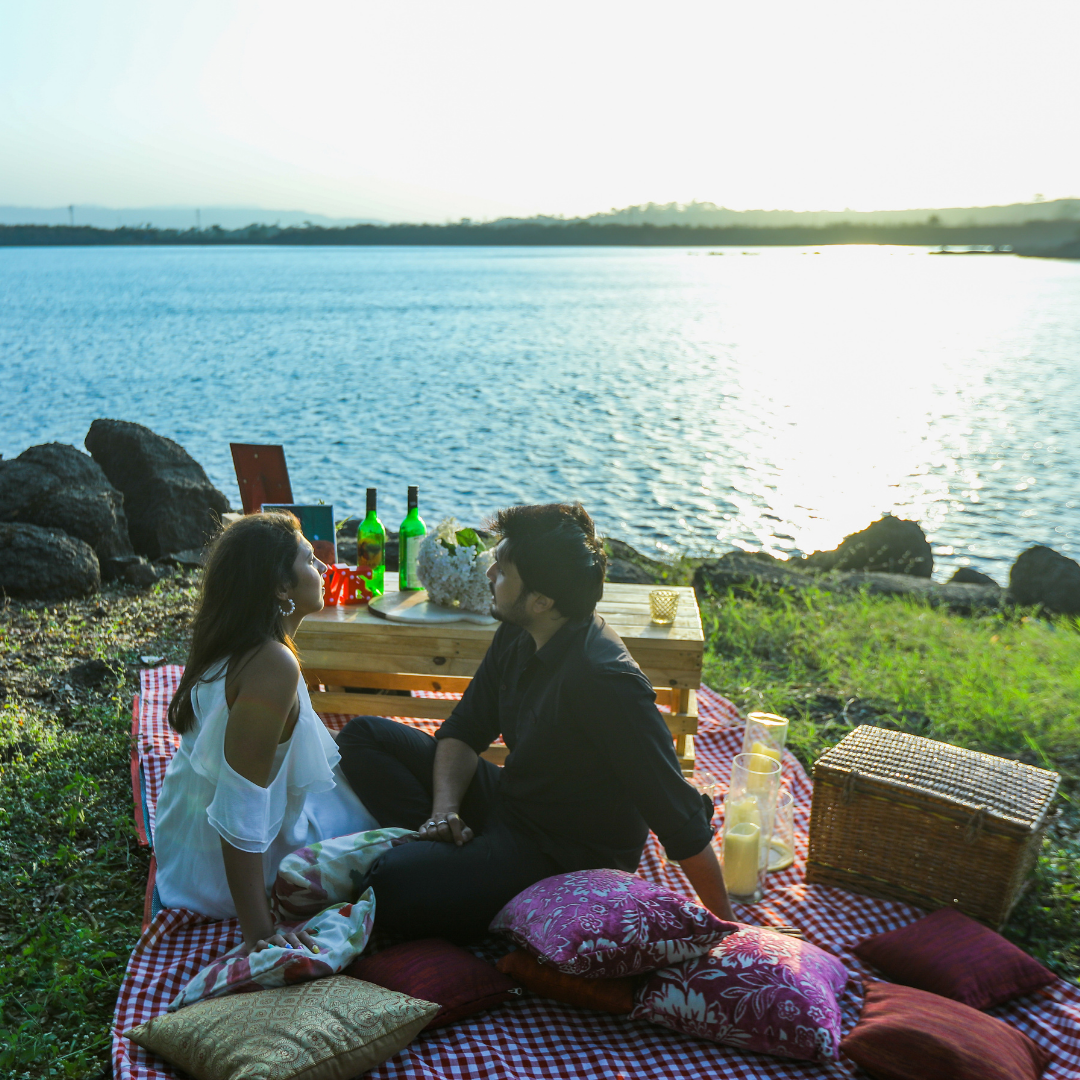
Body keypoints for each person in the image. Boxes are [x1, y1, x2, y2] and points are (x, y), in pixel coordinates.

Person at [337, 502, 734, 942]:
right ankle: (449, 847)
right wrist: (443, 812)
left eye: (502, 571)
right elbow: (465, 730)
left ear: (543, 600)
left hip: (559, 855)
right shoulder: (520, 629)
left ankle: (463, 877)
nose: (489, 575)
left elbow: (679, 818)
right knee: (361, 737)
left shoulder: (606, 682)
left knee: (389, 883)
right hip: (513, 800)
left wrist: (728, 929)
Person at [154, 512, 378, 954]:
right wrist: (259, 932)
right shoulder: (271, 665)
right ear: (279, 587)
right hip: (218, 872)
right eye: (310, 560)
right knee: (389, 827)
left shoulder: (233, 641)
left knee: (370, 744)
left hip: (186, 847)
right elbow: (241, 803)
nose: (324, 569)